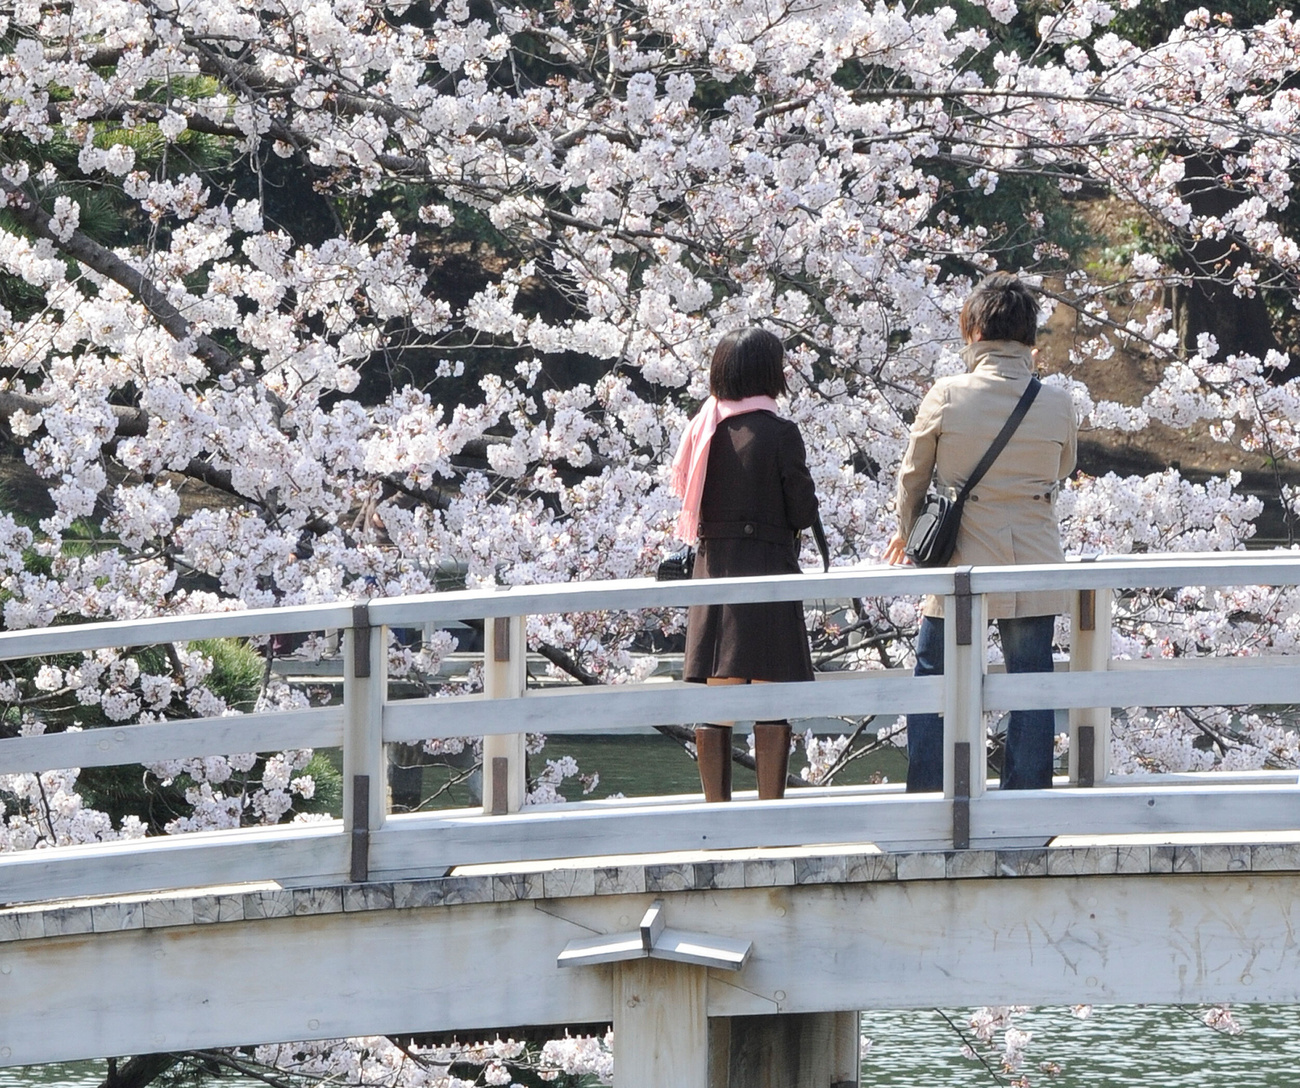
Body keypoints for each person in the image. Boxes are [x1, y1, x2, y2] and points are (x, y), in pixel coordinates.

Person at [885, 273, 1078, 791]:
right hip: (1034, 560)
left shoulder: (947, 395)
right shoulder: (1058, 403)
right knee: (1030, 680)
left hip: (960, 560)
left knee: (934, 676)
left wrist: (911, 536)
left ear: (973, 332)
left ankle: (929, 790)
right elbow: (1062, 468)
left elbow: (912, 478)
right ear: (1030, 339)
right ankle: (1028, 795)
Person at [672, 328, 820, 802]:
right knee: (770, 702)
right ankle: (770, 815)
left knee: (718, 702)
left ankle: (717, 814)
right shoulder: (779, 433)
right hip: (768, 573)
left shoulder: (703, 432)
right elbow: (801, 510)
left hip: (714, 574)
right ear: (767, 374)